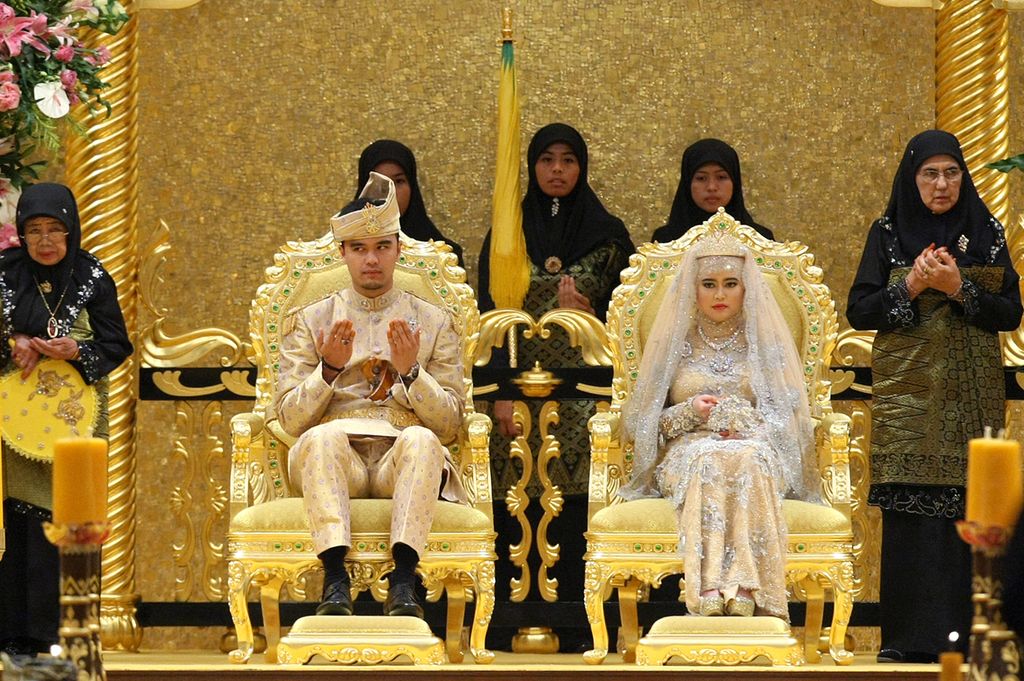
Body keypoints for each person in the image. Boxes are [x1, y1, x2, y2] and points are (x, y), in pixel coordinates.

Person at [847, 130, 1023, 662]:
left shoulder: (987, 234)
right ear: (912, 177)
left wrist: (958, 288)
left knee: (964, 516)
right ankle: (905, 640)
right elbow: (861, 310)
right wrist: (912, 289)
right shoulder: (888, 233)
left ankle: (971, 637)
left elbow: (1010, 312)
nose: (942, 184)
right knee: (911, 519)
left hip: (970, 397)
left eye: (951, 172)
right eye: (930, 173)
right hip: (911, 398)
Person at [275, 172, 467, 619]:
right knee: (321, 440)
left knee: (424, 441)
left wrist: (412, 372)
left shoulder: (433, 321)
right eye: (359, 249)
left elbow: (450, 425)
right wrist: (328, 370)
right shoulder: (312, 318)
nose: (371, 260)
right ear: (342, 253)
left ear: (399, 248)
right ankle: (335, 581)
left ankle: (403, 582)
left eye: (382, 246)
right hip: (335, 453)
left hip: (400, 454)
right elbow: (288, 420)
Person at [476, 123, 634, 639]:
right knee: (516, 500)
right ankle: (508, 622)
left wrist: (591, 312)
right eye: (547, 160)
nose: (558, 170)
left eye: (568, 160)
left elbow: (632, 324)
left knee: (575, 503)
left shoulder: (609, 237)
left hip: (586, 400)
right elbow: (486, 318)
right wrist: (498, 392)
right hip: (514, 396)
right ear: (533, 167)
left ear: (582, 167)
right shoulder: (506, 234)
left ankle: (580, 623)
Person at [619, 229, 817, 619]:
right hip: (688, 452)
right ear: (693, 290)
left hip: (755, 447)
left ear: (747, 289)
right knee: (709, 457)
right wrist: (692, 411)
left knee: (750, 458)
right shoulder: (675, 344)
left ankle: (745, 586)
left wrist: (746, 421)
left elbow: (792, 418)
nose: (720, 295)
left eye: (730, 284)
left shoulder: (764, 343)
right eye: (709, 285)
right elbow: (638, 425)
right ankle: (708, 586)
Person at [0, 182, 133, 655]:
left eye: (56, 229)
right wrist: (11, 343)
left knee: (70, 516)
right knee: (17, 518)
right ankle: (13, 635)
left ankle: (65, 634)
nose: (46, 241)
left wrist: (77, 349)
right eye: (34, 230)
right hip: (15, 419)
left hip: (75, 415)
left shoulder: (93, 274)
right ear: (21, 234)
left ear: (71, 229)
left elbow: (118, 345)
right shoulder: (6, 273)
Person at [354, 139, 463, 264]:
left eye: (399, 181)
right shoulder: (342, 252)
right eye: (381, 183)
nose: (391, 192)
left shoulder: (445, 257)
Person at [652, 139, 774, 243]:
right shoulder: (664, 241)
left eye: (721, 177)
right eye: (701, 178)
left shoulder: (760, 240)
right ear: (687, 183)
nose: (711, 187)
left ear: (734, 181)